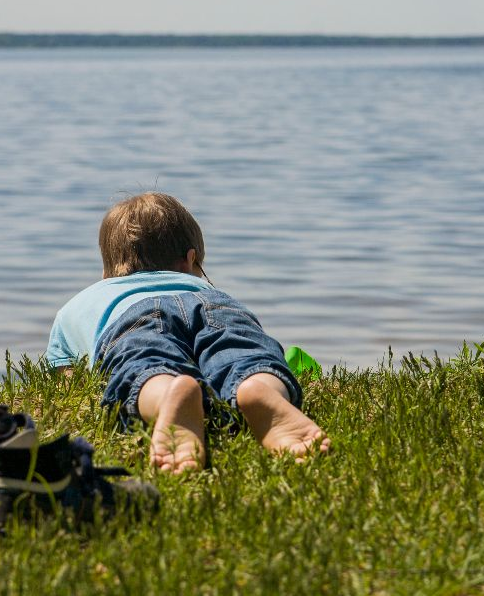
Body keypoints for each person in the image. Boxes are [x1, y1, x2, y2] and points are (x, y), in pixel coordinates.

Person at [46, 192, 330, 473]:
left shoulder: (79, 304)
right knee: (242, 352)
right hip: (215, 306)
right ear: (190, 259)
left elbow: (69, 381)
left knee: (144, 362)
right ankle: (257, 387)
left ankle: (166, 392)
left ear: (107, 269)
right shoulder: (204, 287)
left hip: (132, 318)